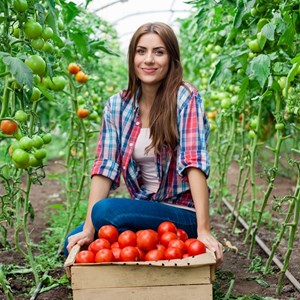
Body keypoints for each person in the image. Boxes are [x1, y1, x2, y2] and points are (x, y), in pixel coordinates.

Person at [65, 22, 223, 265]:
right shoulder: (117, 106)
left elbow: (194, 162)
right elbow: (105, 167)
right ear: (132, 57)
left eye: (159, 52)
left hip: (181, 213)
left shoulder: (185, 98)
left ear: (171, 59)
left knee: (106, 212)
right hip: (143, 209)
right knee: (74, 244)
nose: (149, 60)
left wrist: (203, 230)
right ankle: (148, 244)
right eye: (141, 51)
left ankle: (162, 239)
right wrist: (88, 229)